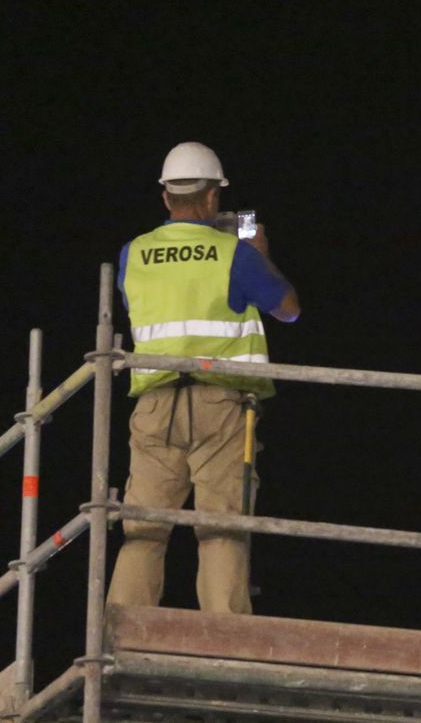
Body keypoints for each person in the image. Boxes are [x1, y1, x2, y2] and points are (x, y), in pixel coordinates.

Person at [106, 142, 300, 614]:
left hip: (154, 406)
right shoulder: (235, 253)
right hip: (220, 406)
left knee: (143, 529)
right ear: (213, 197)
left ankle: (124, 633)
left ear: (165, 197)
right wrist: (261, 255)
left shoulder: (134, 254)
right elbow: (289, 311)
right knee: (222, 528)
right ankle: (223, 641)